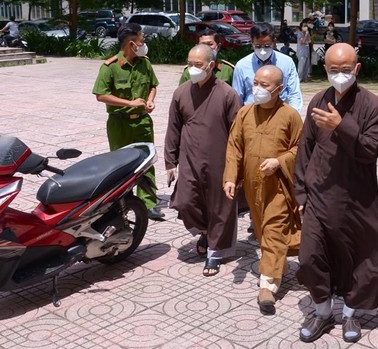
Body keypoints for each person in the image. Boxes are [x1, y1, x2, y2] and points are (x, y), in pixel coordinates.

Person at [295, 43, 378, 344]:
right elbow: (305, 149)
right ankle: (323, 312)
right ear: (325, 69)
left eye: (346, 69)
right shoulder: (318, 101)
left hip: (356, 197)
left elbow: (372, 149)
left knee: (364, 257)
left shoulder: (371, 104)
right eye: (333, 69)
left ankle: (350, 312)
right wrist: (300, 193)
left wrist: (342, 126)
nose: (339, 75)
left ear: (357, 68)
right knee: (310, 256)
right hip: (319, 195)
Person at [223, 65, 303, 314]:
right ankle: (278, 263)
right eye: (255, 83)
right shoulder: (245, 113)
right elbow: (235, 147)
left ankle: (267, 285)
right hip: (252, 186)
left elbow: (301, 148)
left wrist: (280, 161)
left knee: (273, 229)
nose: (257, 88)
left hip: (278, 187)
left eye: (264, 85)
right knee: (261, 230)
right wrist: (230, 178)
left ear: (279, 88)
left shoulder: (290, 116)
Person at [165, 44, 241, 276]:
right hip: (189, 158)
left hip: (219, 161)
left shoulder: (227, 94)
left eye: (198, 65)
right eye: (189, 64)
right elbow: (173, 129)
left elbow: (238, 134)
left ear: (211, 65)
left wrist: (237, 168)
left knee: (220, 208)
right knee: (186, 201)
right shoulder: (181, 93)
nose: (193, 69)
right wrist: (170, 162)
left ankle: (214, 253)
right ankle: (206, 233)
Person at [92, 22, 164, 220]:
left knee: (146, 161)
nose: (143, 43)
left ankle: (149, 204)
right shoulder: (110, 67)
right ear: (132, 44)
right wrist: (129, 103)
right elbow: (100, 95)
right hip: (119, 124)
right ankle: (123, 200)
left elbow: (153, 85)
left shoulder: (144, 63)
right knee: (120, 164)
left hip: (142, 122)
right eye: (141, 39)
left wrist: (150, 100)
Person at [232, 22, 303, 112]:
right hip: (252, 114)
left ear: (274, 42)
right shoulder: (242, 66)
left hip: (280, 113)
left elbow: (294, 94)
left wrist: (294, 115)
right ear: (252, 42)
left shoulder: (287, 62)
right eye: (258, 46)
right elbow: (237, 98)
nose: (263, 51)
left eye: (267, 46)